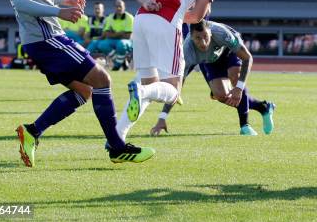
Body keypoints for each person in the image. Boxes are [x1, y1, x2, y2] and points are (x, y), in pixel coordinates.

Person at [5, 0, 154, 166]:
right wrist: (58, 12)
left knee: (85, 90)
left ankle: (31, 131)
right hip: (46, 38)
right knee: (102, 78)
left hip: (42, 38)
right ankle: (118, 147)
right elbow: (19, 1)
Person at [124, 0, 229, 135]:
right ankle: (140, 91)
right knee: (172, 90)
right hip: (167, 24)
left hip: (141, 19)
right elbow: (198, 15)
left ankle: (117, 137)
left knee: (149, 81)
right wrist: (180, 15)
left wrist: (146, 2)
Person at [118, 20, 276, 138]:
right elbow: (175, 89)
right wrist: (162, 118)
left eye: (205, 37)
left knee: (235, 77)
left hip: (228, 52)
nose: (203, 42)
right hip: (209, 62)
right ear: (191, 38)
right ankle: (263, 107)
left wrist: (239, 87)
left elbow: (248, 57)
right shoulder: (187, 52)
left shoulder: (222, 33)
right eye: (198, 39)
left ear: (210, 33)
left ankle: (245, 126)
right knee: (221, 96)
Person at [91, 0, 134, 71]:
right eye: (117, 6)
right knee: (101, 44)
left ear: (124, 7)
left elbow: (127, 36)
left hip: (127, 41)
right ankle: (122, 62)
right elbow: (107, 34)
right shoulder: (110, 17)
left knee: (121, 44)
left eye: (120, 6)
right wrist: (121, 32)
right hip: (113, 40)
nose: (118, 8)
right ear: (114, 7)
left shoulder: (129, 17)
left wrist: (113, 33)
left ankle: (117, 66)